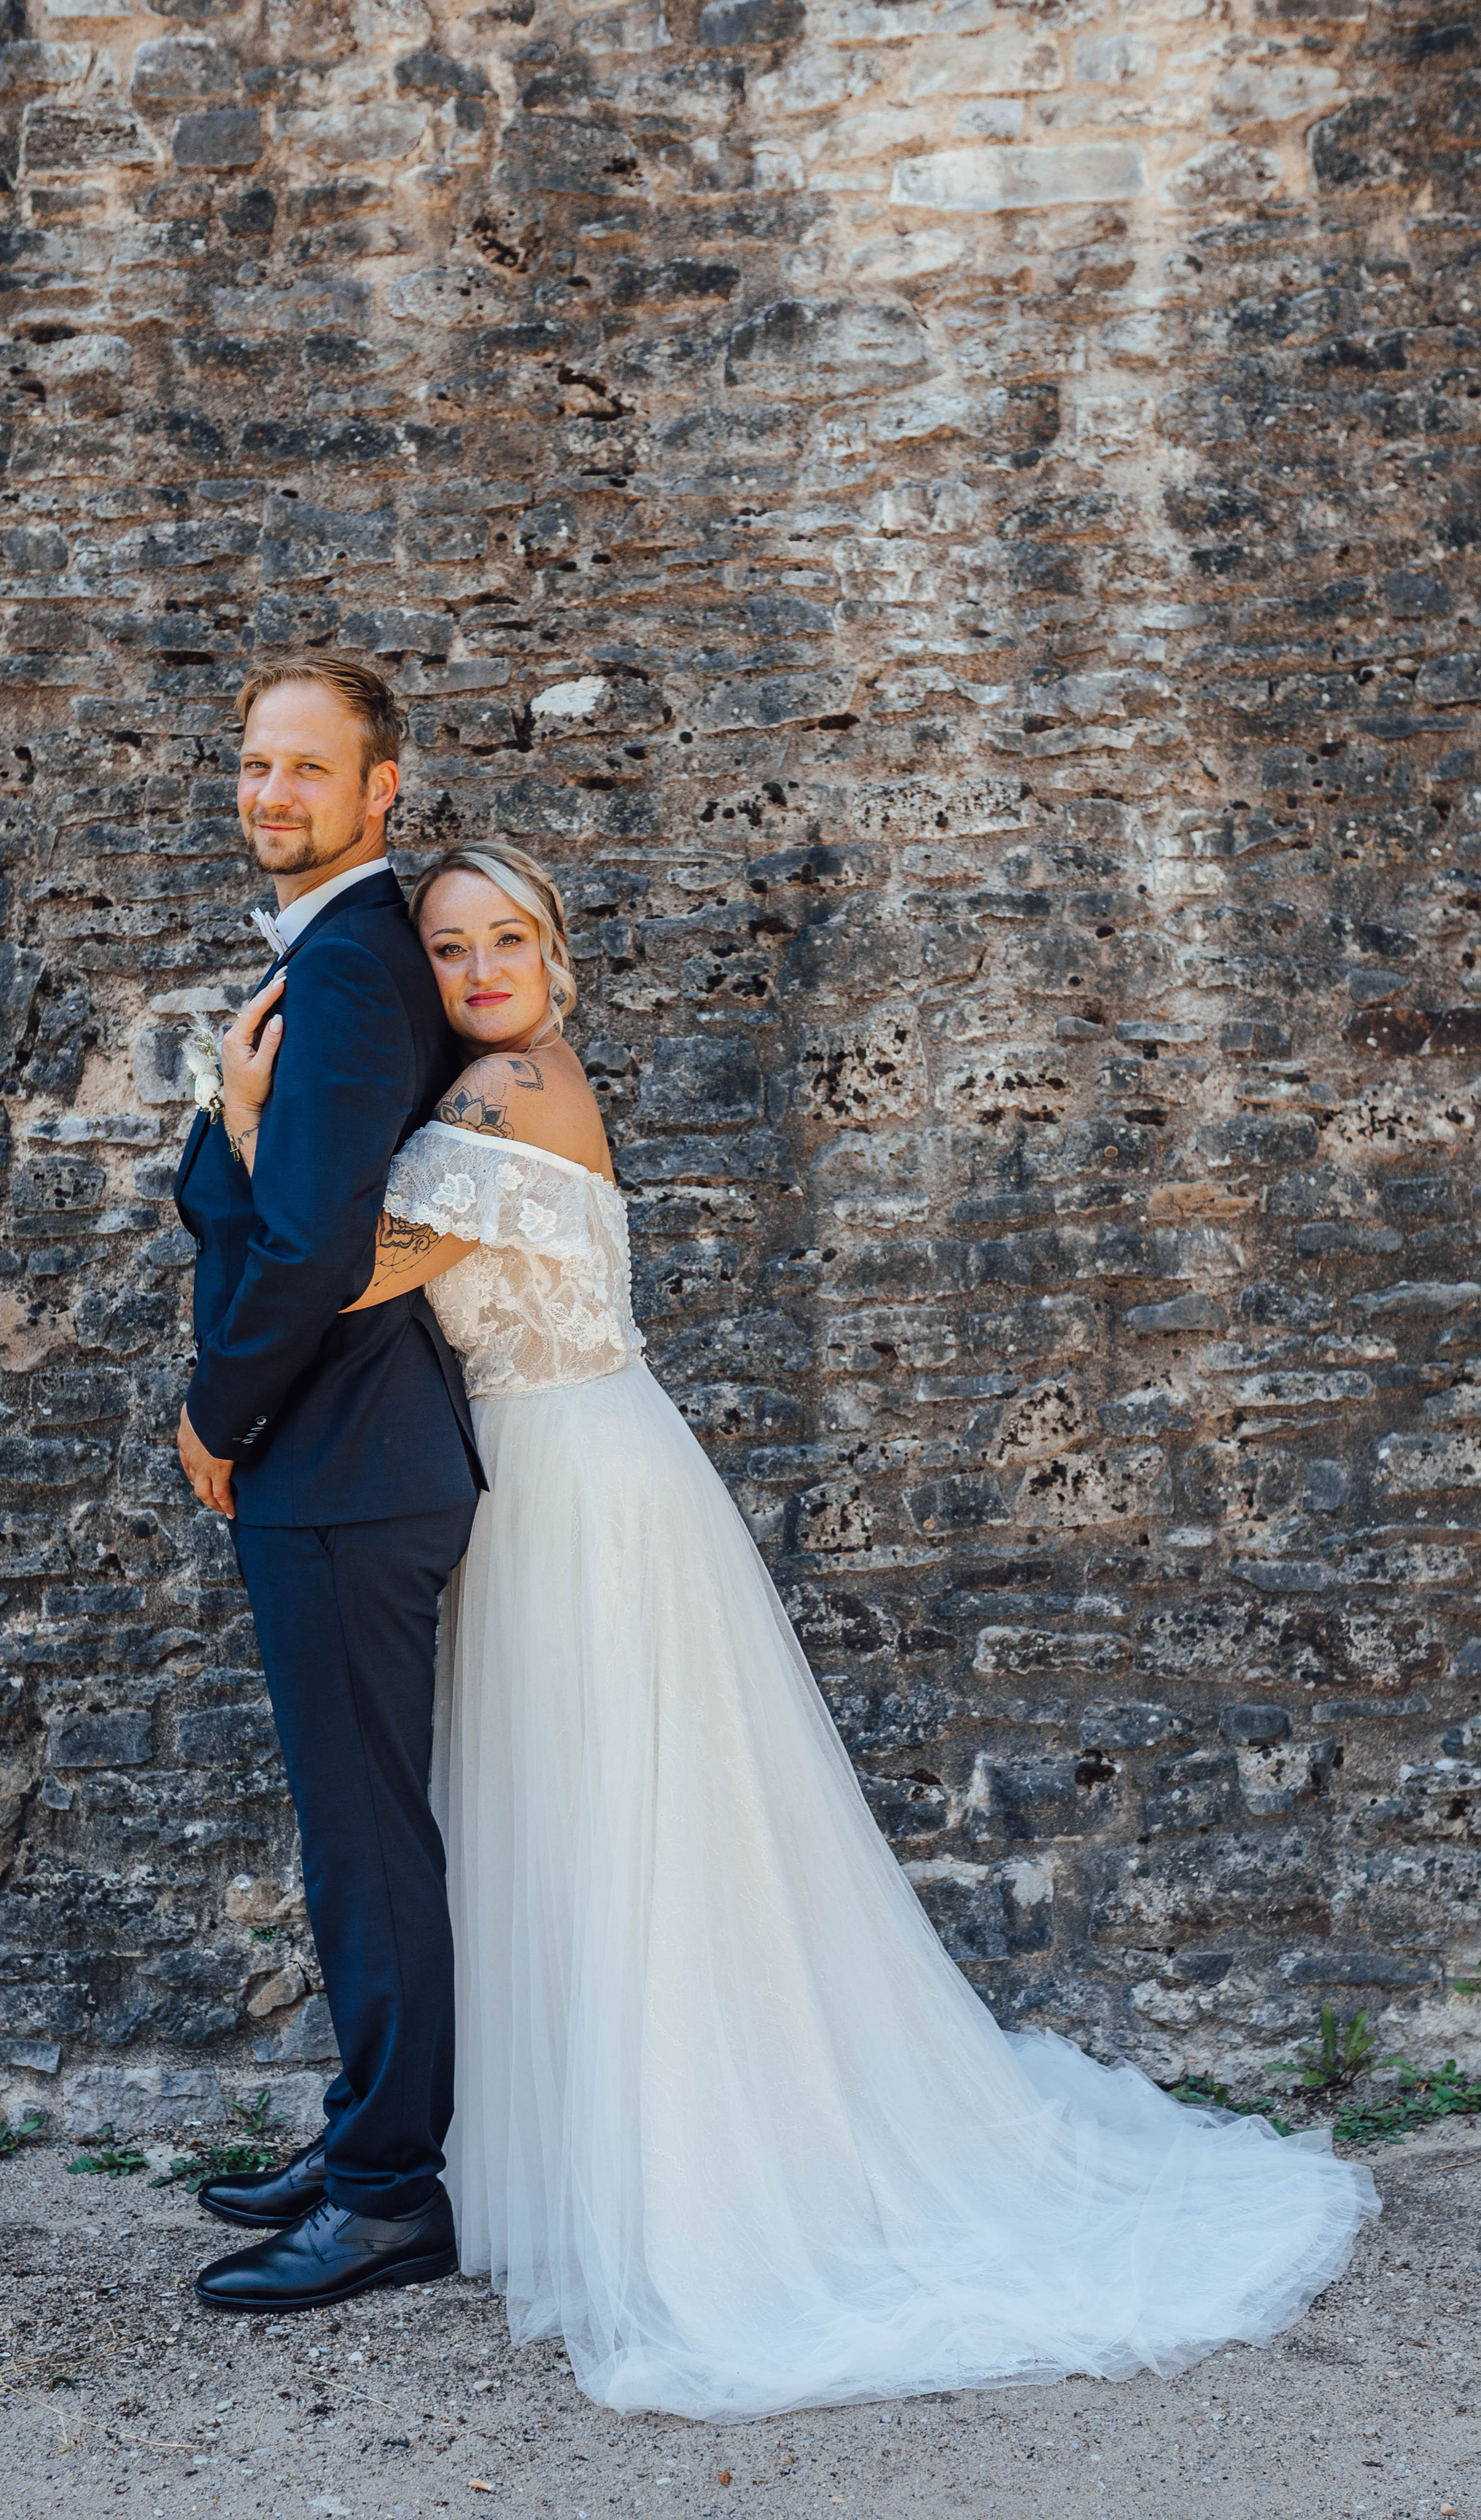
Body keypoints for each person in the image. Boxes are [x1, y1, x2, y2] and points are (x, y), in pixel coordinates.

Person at [201, 835, 1381, 2415]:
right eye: (449, 949)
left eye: (506, 942)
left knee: (629, 1827)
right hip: (547, 1471)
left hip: (582, 1488)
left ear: (557, 958)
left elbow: (344, 1269)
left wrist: (248, 1121)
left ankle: (687, 2173)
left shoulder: (506, 1094)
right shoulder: (490, 1087)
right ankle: (524, 2147)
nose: (478, 971)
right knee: (586, 1820)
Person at [171, 655, 483, 2319]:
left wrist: (215, 1414)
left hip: (343, 1458)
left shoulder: (356, 963)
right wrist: (236, 1113)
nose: (272, 793)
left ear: (381, 790)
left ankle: (384, 2198)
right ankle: (366, 2132)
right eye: (254, 764)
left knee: (366, 1845)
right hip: (350, 1454)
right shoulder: (337, 951)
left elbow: (312, 1246)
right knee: (357, 1833)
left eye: (308, 768)